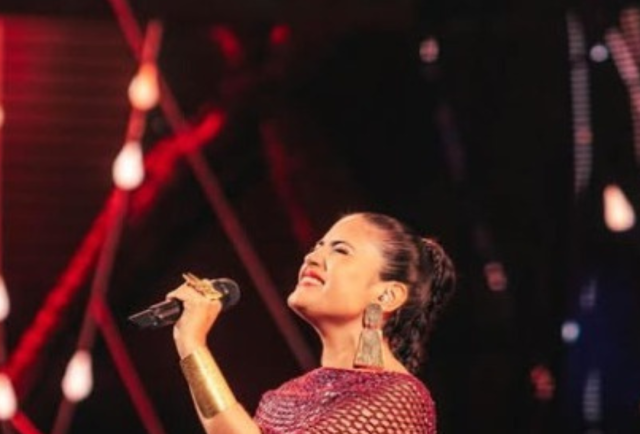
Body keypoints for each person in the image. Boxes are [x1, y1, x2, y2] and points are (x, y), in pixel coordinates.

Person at [166, 211, 457, 433]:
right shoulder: (286, 396)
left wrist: (192, 343)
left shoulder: (399, 398)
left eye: (340, 250)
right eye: (318, 246)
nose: (313, 257)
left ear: (387, 295)